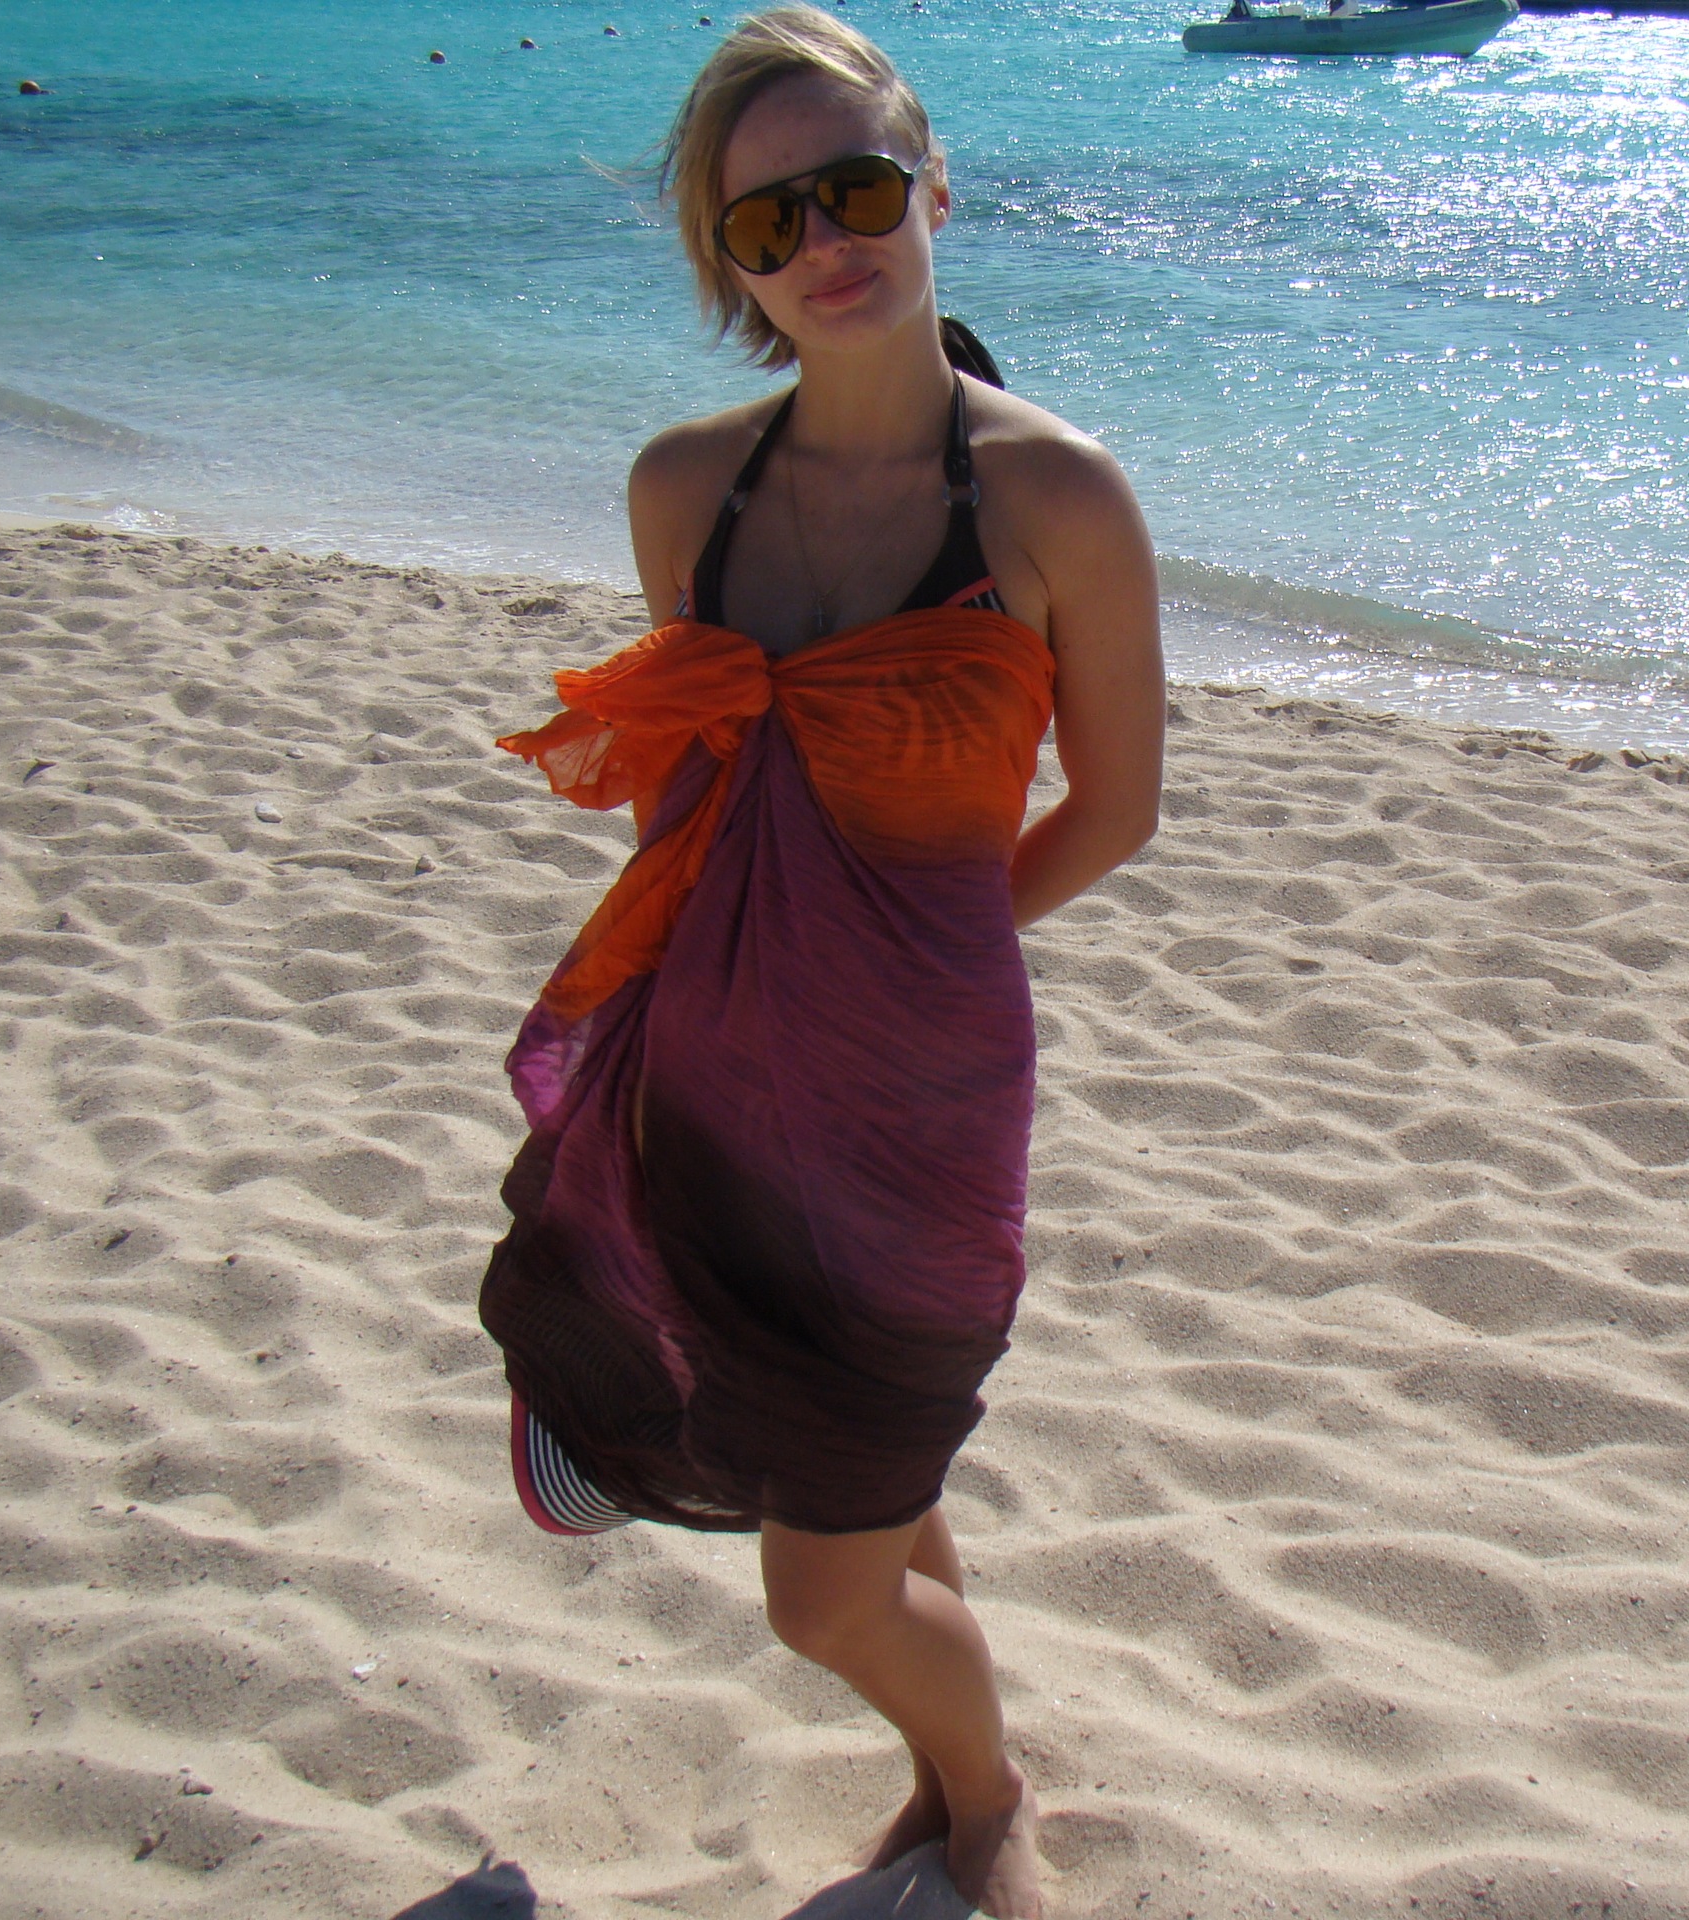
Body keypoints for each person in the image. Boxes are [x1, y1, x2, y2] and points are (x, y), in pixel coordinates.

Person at [478, 9, 1163, 1914]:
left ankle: (988, 1791)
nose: (824, 244)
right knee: (844, 1467)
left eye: (855, 189)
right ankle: (947, 1779)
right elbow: (688, 801)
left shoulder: (1055, 500)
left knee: (821, 1592)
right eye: (765, 223)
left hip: (921, 1103)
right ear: (731, 266)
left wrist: (913, 953)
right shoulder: (683, 489)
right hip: (709, 1069)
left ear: (934, 186)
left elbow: (1115, 811)